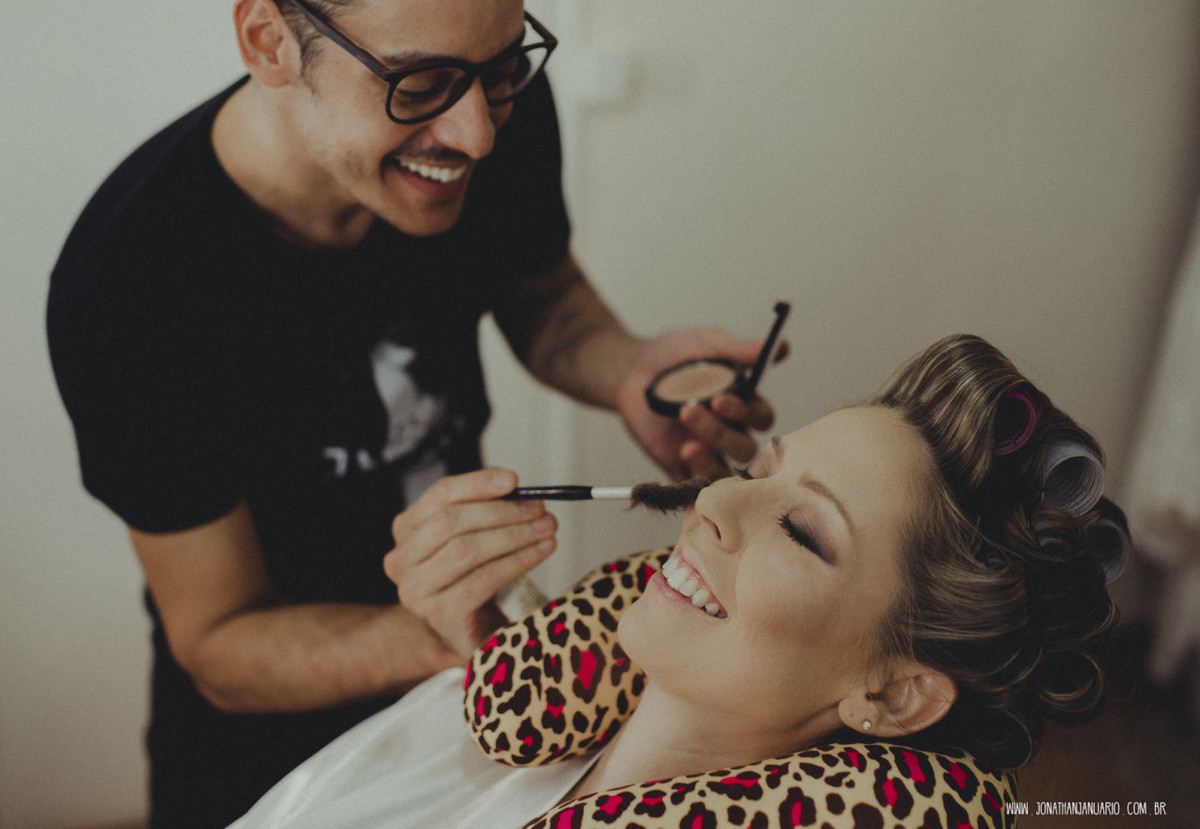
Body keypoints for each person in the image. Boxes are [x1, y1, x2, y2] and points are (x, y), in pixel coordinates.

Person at [45, 0, 776, 825]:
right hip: (267, 764)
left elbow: (544, 299)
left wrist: (626, 370)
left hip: (474, 715)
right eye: (420, 83)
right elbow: (219, 640)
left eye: (502, 69)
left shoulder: (489, 91)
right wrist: (444, 635)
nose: (478, 136)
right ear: (270, 42)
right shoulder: (128, 288)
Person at [229, 333, 1126, 828]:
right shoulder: (492, 706)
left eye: (802, 529)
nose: (716, 500)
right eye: (760, 468)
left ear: (894, 693)